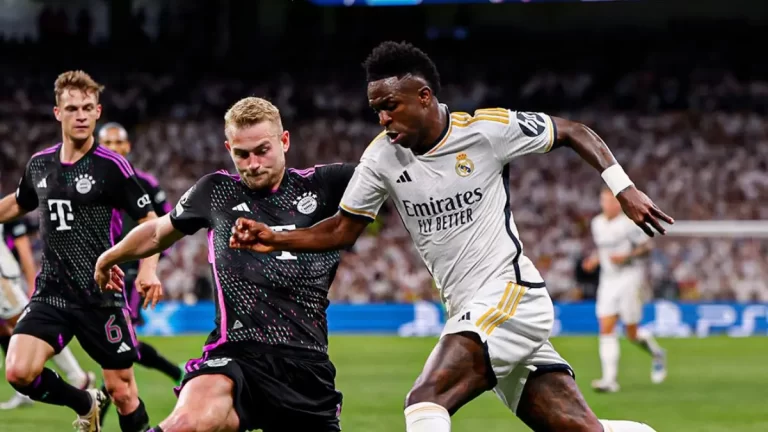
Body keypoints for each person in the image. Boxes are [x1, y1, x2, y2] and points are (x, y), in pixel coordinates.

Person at [230, 41, 675, 432]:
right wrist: (275, 239)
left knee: (425, 401)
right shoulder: (382, 158)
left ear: (424, 97)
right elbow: (344, 229)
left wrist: (624, 187)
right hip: (469, 309)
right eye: (376, 110)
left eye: (391, 106)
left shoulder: (486, 131)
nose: (383, 118)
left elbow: (574, 131)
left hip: (510, 296)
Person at [94, 97, 355, 432]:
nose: (253, 164)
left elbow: (389, 173)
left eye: (263, 150)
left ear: (284, 141)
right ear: (229, 148)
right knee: (188, 421)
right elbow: (158, 232)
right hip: (235, 353)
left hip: (305, 365)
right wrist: (108, 258)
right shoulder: (215, 191)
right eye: (242, 154)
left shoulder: (324, 185)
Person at [0, 70, 161, 432]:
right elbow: (18, 202)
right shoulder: (40, 164)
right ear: (58, 113)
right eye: (72, 108)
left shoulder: (112, 167)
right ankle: (84, 402)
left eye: (88, 107)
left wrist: (149, 270)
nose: (82, 115)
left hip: (100, 295)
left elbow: (151, 222)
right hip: (52, 292)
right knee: (18, 371)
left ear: (98, 111)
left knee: (122, 392)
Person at [97, 122, 183, 425]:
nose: (112, 146)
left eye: (118, 141)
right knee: (121, 345)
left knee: (122, 342)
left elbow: (166, 223)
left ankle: (96, 407)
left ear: (127, 147)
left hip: (131, 274)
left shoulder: (145, 182)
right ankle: (177, 372)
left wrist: (152, 265)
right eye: (106, 141)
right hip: (99, 273)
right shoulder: (88, 183)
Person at [0, 217, 96, 410]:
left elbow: (23, 246)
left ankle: (79, 378)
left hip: (3, 282)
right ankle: (23, 389)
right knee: (4, 331)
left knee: (31, 329)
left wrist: (31, 280)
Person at [583, 187, 667, 393]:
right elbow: (604, 248)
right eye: (604, 201)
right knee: (606, 327)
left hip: (630, 278)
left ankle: (657, 353)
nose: (607, 205)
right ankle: (609, 380)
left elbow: (647, 247)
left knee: (632, 333)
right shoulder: (597, 224)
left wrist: (627, 256)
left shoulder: (629, 224)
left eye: (611, 202)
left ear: (618, 204)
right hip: (608, 280)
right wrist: (595, 260)